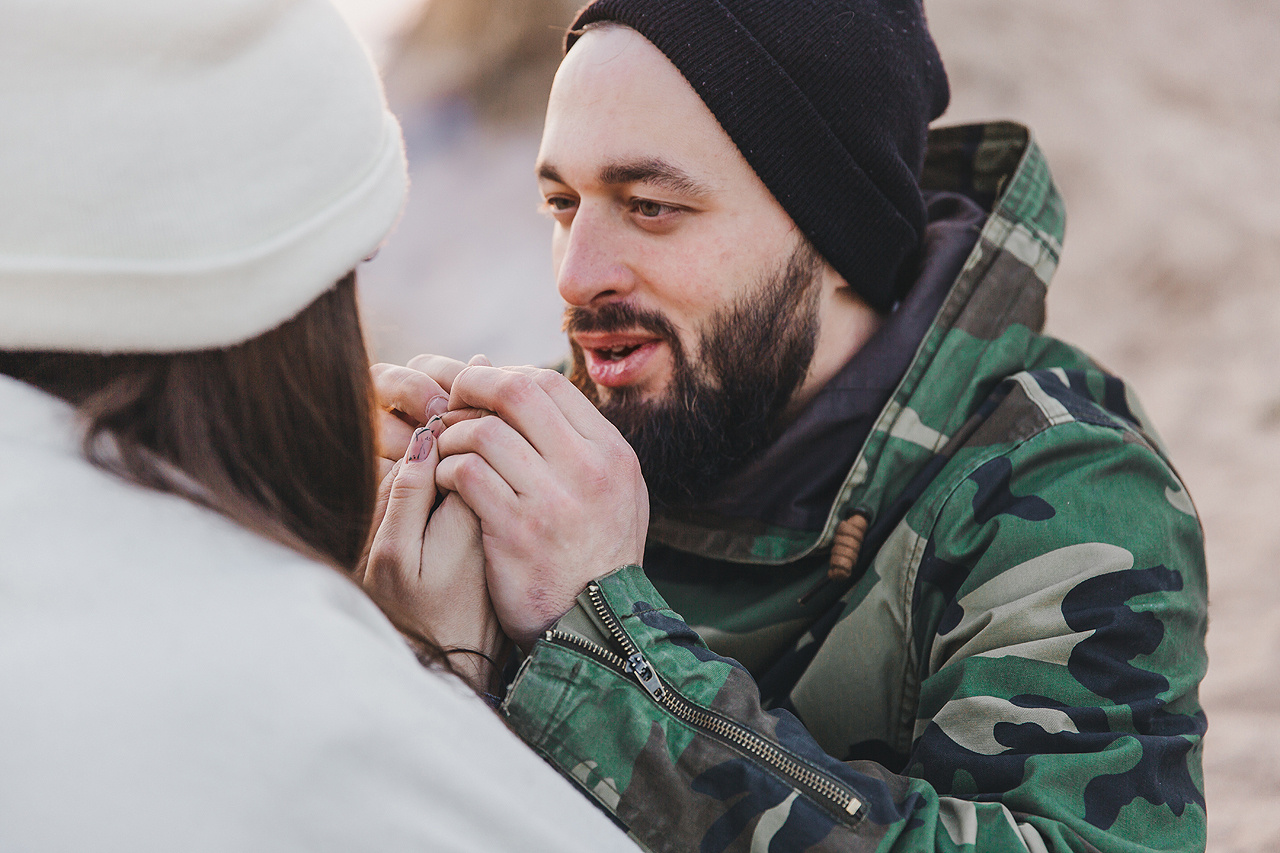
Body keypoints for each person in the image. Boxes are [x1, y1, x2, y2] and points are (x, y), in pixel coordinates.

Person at [373, 1, 1209, 851]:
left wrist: (601, 636)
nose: (577, 272)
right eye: (561, 203)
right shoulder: (527, 471)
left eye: (652, 205)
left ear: (832, 231)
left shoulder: (1066, 488)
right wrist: (406, 653)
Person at [0, 1, 639, 850]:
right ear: (294, 314)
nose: (576, 281)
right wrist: (447, 678)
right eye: (354, 272)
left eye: (651, 206)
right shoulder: (316, 711)